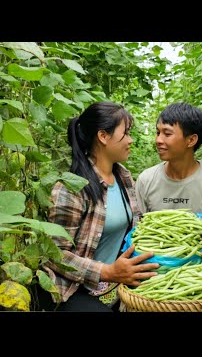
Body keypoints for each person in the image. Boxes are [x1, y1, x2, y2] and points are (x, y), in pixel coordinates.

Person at [38, 101, 160, 312]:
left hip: (113, 287)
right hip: (74, 291)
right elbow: (55, 254)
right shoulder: (71, 188)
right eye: (126, 133)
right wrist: (108, 271)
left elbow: (136, 230)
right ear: (103, 136)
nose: (131, 140)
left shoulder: (123, 178)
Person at [135, 102, 202, 267]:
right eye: (157, 132)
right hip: (156, 272)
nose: (158, 140)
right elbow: (139, 235)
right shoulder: (146, 180)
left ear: (191, 140)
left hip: (201, 273)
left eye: (167, 134)